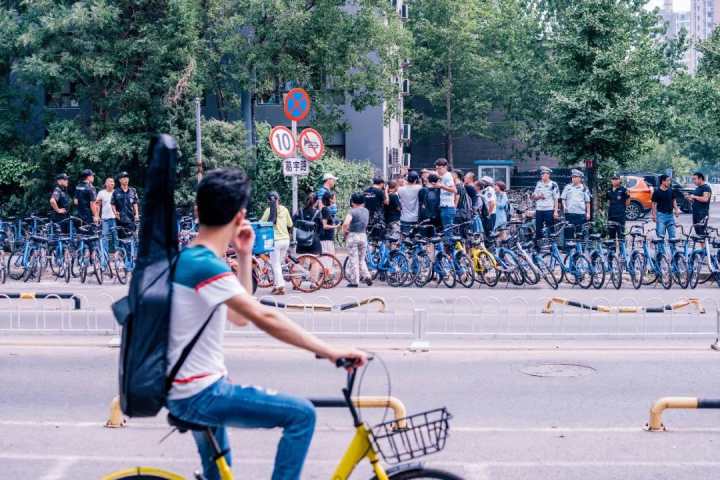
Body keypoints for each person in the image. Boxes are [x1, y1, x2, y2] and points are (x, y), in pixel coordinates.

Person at [165, 168, 367, 480]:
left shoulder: (193, 258)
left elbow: (239, 317)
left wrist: (244, 254)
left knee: (218, 474)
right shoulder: (204, 265)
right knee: (301, 415)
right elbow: (264, 317)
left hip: (189, 388)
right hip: (201, 393)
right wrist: (330, 351)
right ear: (240, 216)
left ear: (197, 211)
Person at [260, 192, 293, 295]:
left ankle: (280, 286)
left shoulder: (268, 210)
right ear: (278, 199)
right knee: (278, 264)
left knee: (276, 264)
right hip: (286, 240)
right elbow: (290, 224)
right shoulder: (285, 209)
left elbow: (261, 223)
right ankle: (276, 285)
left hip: (275, 242)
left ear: (268, 201)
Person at [342, 192, 373, 287]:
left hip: (353, 236)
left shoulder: (352, 211)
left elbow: (346, 223)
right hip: (363, 236)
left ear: (352, 202)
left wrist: (345, 232)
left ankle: (354, 281)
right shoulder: (366, 211)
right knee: (361, 259)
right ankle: (367, 276)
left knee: (353, 259)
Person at [560, 169, 591, 239]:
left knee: (580, 233)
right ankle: (569, 245)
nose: (573, 179)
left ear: (580, 178)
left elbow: (587, 201)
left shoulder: (584, 188)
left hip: (580, 214)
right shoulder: (567, 187)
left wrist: (588, 213)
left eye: (575, 177)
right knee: (569, 232)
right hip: (569, 213)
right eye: (573, 177)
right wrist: (564, 206)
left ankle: (580, 245)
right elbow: (563, 199)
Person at [532, 166, 559, 243]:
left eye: (544, 174)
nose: (543, 175)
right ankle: (538, 245)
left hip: (549, 209)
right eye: (542, 174)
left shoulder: (553, 184)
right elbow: (534, 197)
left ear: (548, 175)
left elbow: (556, 199)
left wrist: (555, 211)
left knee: (550, 228)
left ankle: (551, 245)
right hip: (539, 209)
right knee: (538, 229)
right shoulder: (538, 184)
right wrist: (538, 196)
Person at [434, 158, 457, 242]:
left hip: (448, 208)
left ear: (445, 167)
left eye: (439, 168)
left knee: (448, 233)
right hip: (445, 208)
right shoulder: (444, 176)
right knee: (447, 231)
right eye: (437, 168)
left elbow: (454, 190)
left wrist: (441, 186)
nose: (438, 171)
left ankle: (450, 249)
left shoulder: (447, 176)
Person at [651, 174, 680, 240]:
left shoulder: (670, 190)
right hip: (661, 216)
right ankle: (661, 247)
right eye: (668, 180)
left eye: (669, 180)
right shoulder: (657, 192)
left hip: (670, 216)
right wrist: (654, 215)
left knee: (673, 236)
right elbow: (653, 204)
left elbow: (674, 201)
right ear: (663, 181)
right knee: (660, 236)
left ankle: (673, 247)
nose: (669, 182)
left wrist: (676, 210)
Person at [96, 177, 117, 253]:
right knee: (105, 237)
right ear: (106, 183)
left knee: (115, 238)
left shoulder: (116, 192)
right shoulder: (101, 193)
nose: (112, 183)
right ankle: (105, 257)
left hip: (115, 219)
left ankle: (117, 256)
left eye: (113, 182)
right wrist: (97, 216)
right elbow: (97, 205)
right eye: (110, 181)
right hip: (105, 219)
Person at [688, 171, 712, 236]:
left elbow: (705, 199)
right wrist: (690, 199)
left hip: (702, 213)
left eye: (695, 179)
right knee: (698, 233)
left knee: (701, 232)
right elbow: (695, 200)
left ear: (700, 178)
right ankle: (702, 243)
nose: (693, 181)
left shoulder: (706, 188)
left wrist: (694, 197)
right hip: (695, 212)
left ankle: (704, 243)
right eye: (693, 179)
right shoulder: (697, 188)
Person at [397, 171, 422, 235]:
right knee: (415, 239)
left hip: (404, 218)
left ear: (407, 179)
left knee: (405, 238)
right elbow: (420, 184)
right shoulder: (419, 188)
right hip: (415, 218)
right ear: (416, 180)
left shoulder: (400, 189)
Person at [607, 174, 629, 240]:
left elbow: (628, 201)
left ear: (619, 180)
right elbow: (608, 201)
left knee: (621, 235)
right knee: (611, 235)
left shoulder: (623, 190)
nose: (614, 181)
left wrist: (621, 208)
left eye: (616, 179)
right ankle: (612, 247)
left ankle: (622, 247)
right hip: (611, 216)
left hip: (620, 216)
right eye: (613, 179)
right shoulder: (609, 190)